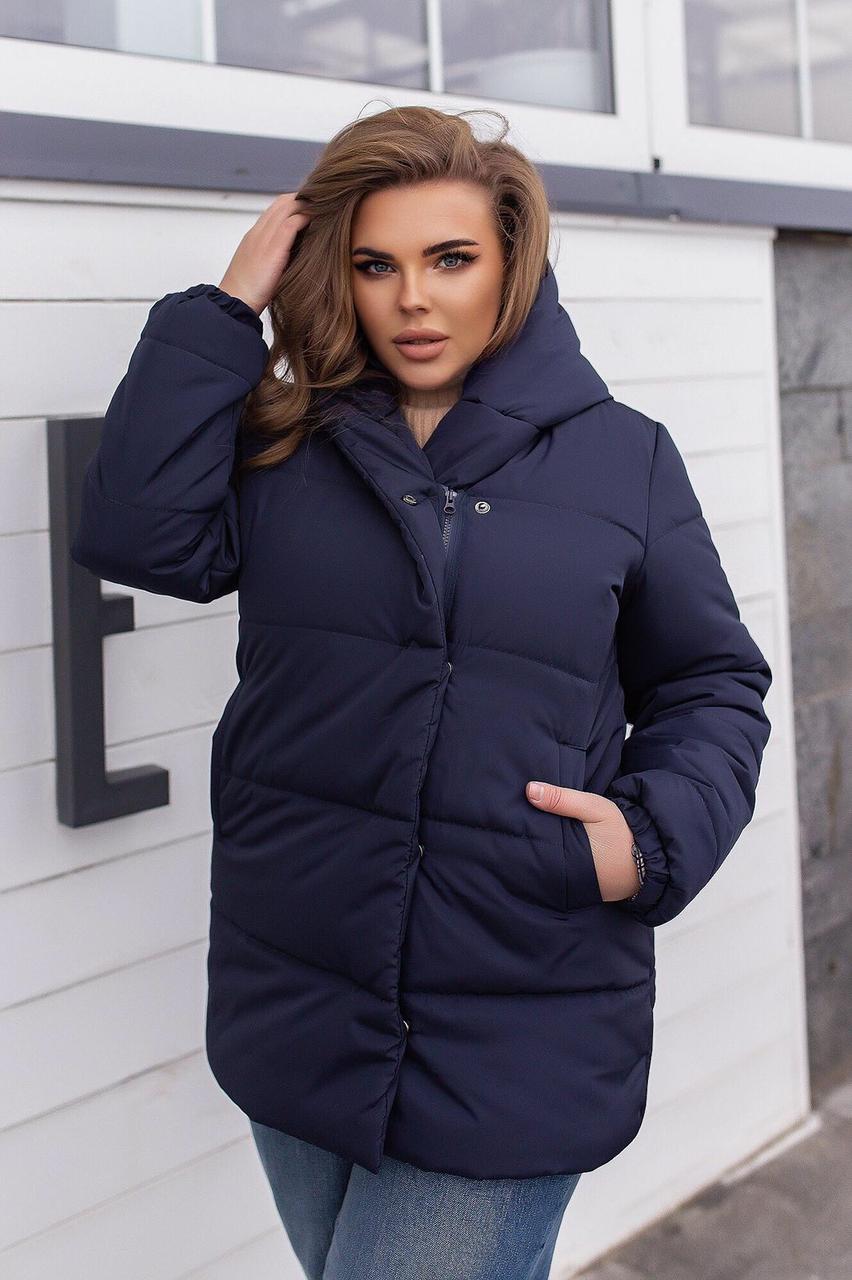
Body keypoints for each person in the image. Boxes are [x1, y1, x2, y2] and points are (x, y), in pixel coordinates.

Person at [70, 105, 773, 1279]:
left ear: (511, 265)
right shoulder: (289, 443)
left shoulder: (623, 456)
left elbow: (712, 681)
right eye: (375, 264)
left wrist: (646, 838)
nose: (413, 300)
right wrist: (226, 308)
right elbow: (138, 534)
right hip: (299, 987)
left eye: (450, 259)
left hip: (519, 1004)